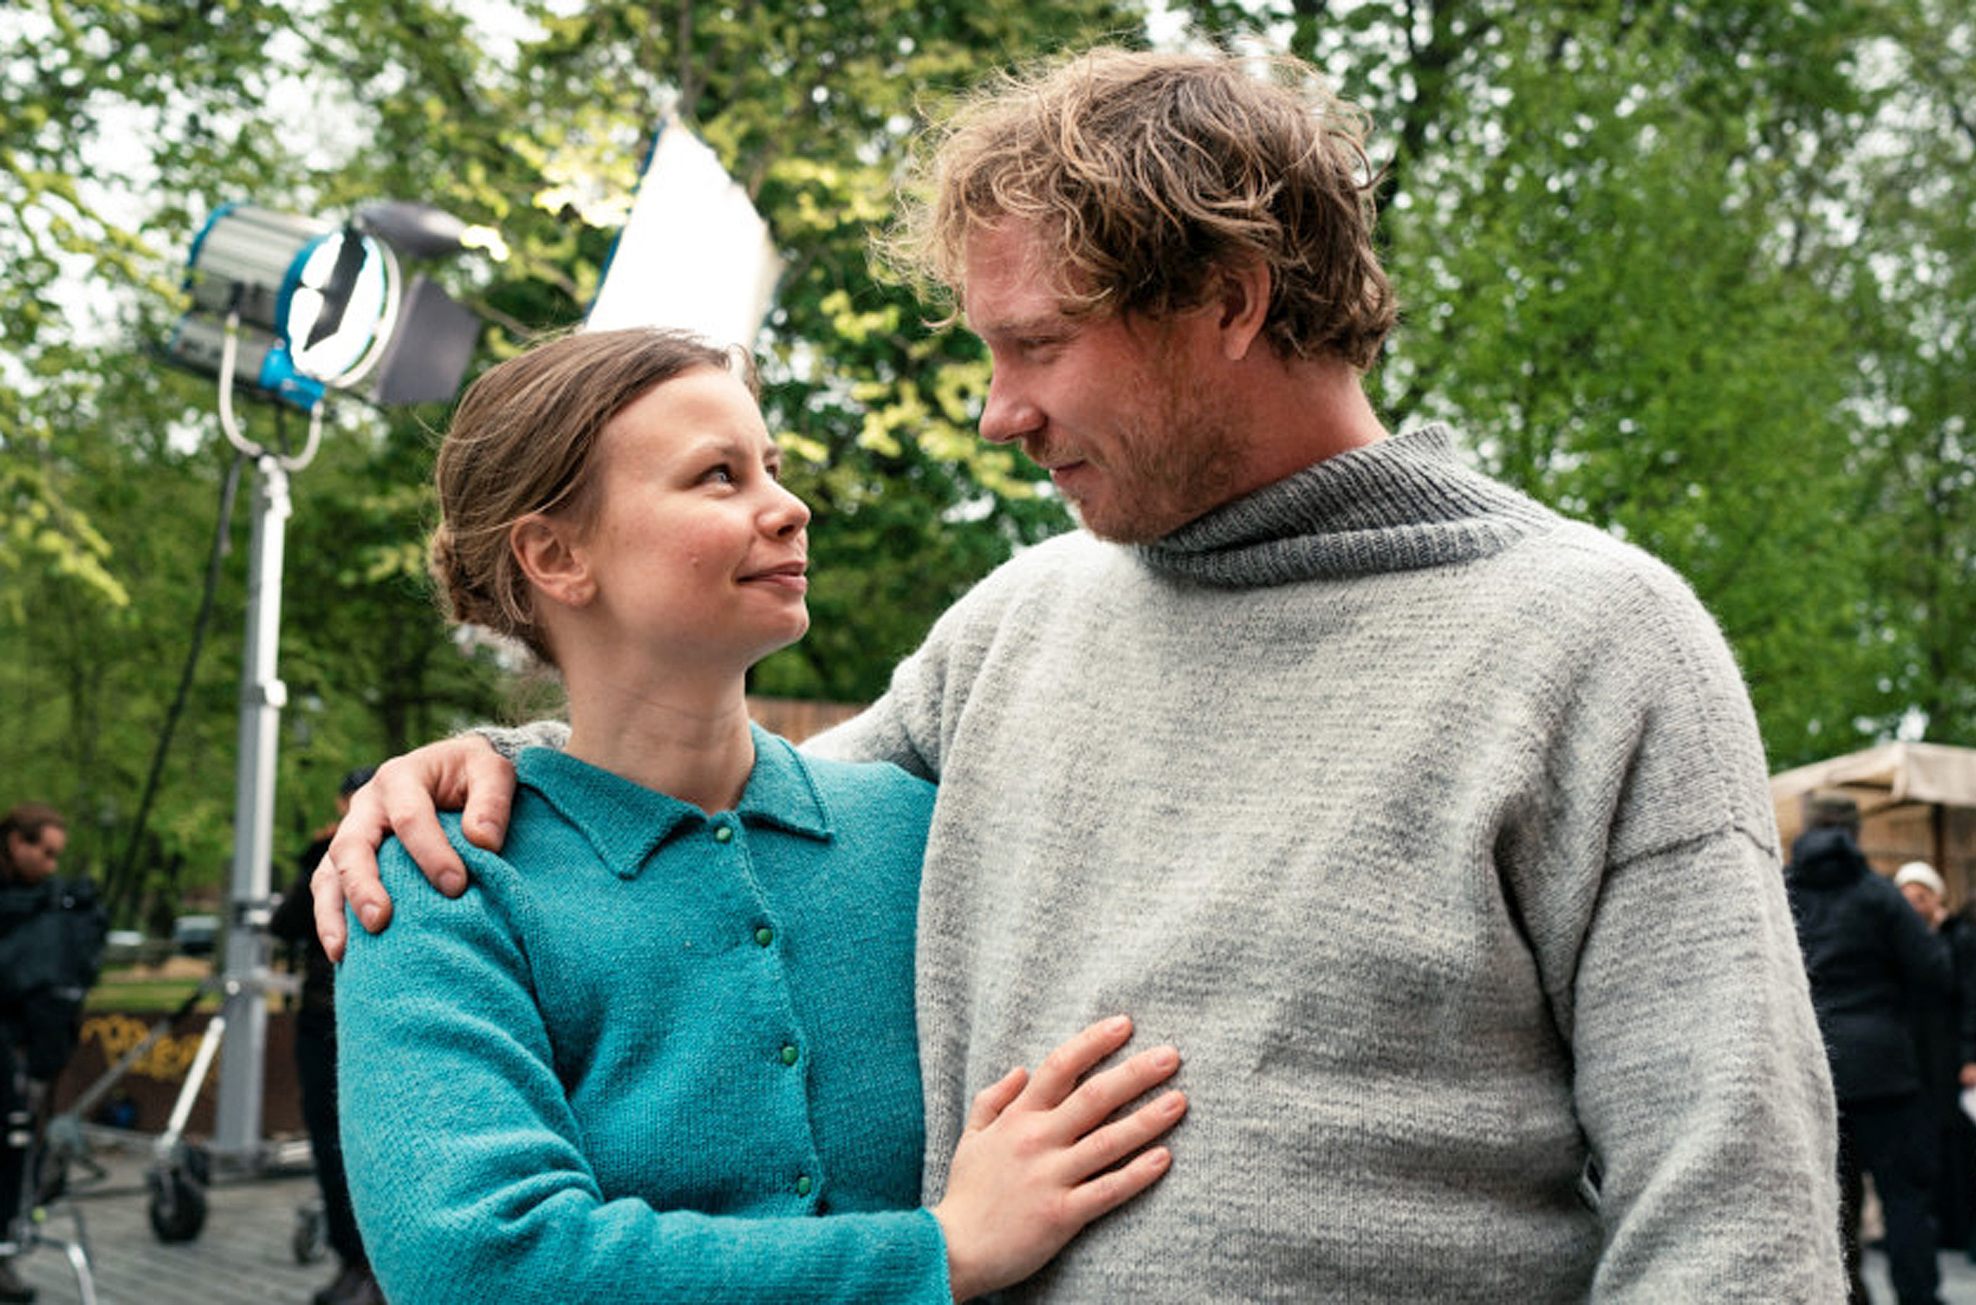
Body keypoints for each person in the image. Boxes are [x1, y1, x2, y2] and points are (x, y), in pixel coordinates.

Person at [315, 47, 1841, 1299]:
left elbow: (1733, 1205)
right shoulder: (1017, 626)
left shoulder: (1594, 642)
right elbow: (713, 817)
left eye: (1037, 346)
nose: (999, 412)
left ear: (1229, 300)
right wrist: (484, 766)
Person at [333, 326, 1186, 1304]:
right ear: (557, 556)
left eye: (771, 468)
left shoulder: (921, 834)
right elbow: (480, 1266)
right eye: (719, 476)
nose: (789, 507)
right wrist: (937, 1254)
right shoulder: (441, 881)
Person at [1789, 799, 1951, 1304]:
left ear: (1805, 829)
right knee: (1905, 1200)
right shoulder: (1879, 894)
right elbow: (1933, 971)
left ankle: (1846, 1297)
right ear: (1856, 833)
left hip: (1815, 1066)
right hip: (1886, 1067)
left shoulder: (1781, 890)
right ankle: (1918, 1297)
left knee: (1833, 1207)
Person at [270, 766, 380, 1305]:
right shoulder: (329, 853)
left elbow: (285, 924)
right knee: (336, 1141)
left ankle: (369, 1267)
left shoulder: (396, 846)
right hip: (335, 1013)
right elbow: (288, 923)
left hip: (353, 1014)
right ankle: (358, 1263)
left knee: (353, 1142)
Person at [0, 804, 106, 1305]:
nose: (50, 864)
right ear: (15, 843)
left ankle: (5, 1246)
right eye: (43, 852)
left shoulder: (56, 900)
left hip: (33, 1042)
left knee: (18, 1141)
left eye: (56, 855)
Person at [1897, 861, 1976, 1250]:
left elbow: (1974, 997)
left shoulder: (1962, 937)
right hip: (1922, 1055)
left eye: (1921, 897)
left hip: (1953, 1053)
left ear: (1937, 897)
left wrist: (1972, 1054)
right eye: (1908, 899)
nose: (1915, 906)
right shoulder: (1908, 938)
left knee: (1960, 1136)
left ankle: (1963, 1225)